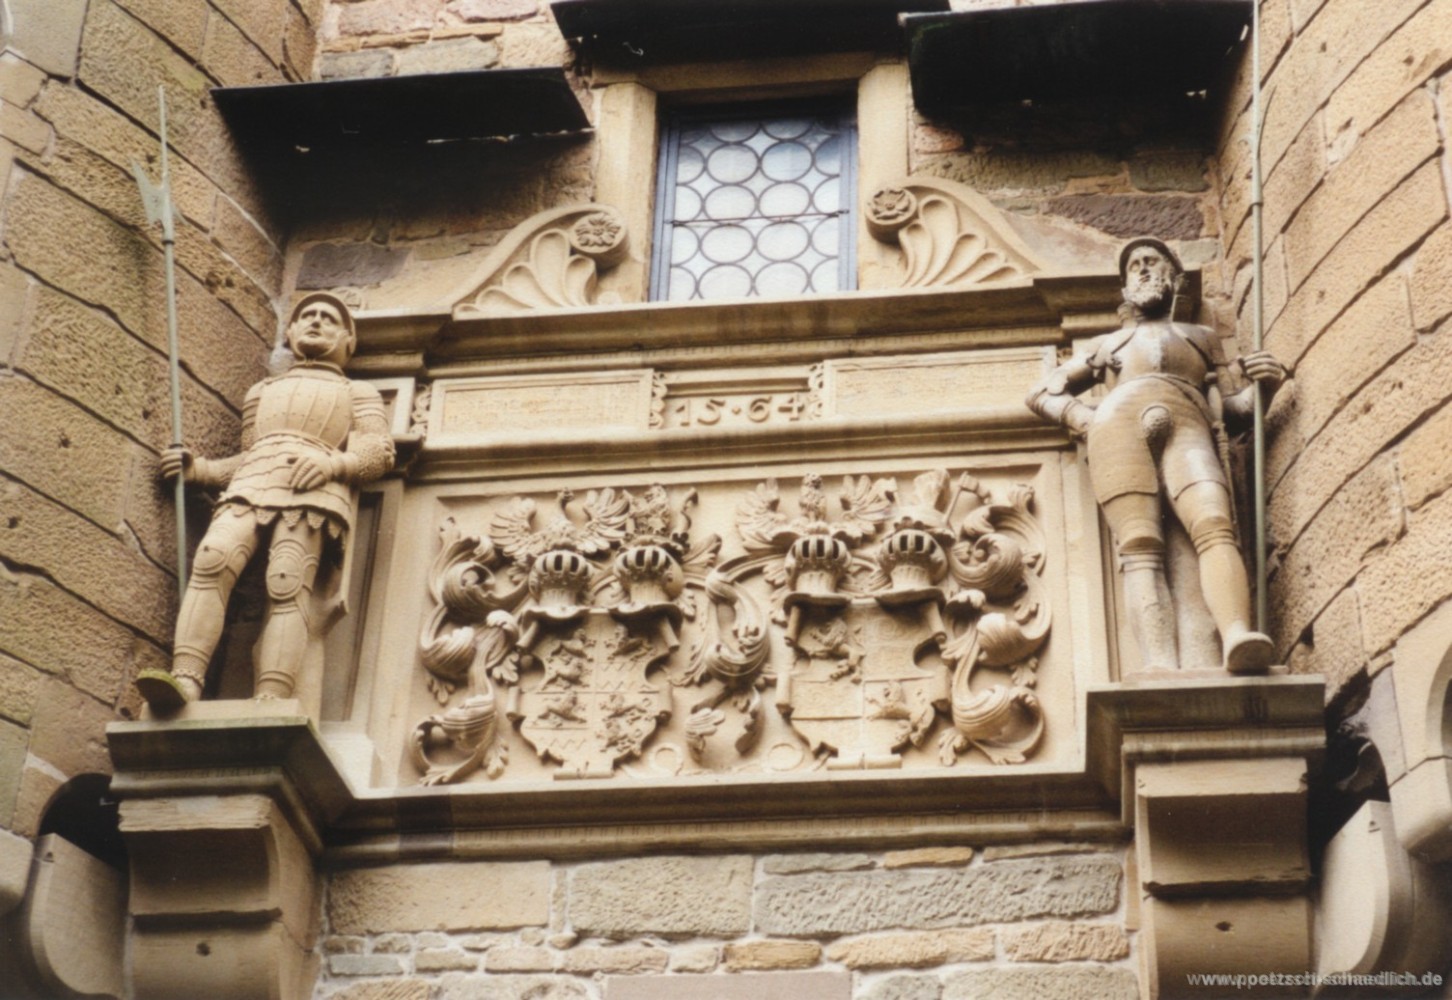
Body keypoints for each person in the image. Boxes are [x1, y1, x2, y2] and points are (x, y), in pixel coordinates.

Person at [1025, 238, 1285, 674]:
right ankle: (1159, 662)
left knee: (1214, 522)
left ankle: (1237, 635)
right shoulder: (1106, 344)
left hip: (1189, 421)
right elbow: (1040, 393)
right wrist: (1088, 420)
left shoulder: (1202, 338)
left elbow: (1232, 411)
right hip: (1118, 426)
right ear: (1125, 288)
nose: (1143, 270)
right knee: (1140, 545)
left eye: (1152, 262)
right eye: (1134, 267)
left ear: (1175, 278)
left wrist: (1265, 388)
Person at [136, 293, 395, 711]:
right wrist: (200, 470)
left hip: (313, 489)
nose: (316, 321)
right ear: (290, 332)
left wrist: (334, 464)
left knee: (287, 581)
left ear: (349, 340)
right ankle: (185, 679)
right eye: (307, 316)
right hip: (252, 482)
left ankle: (272, 696)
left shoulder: (357, 392)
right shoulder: (262, 390)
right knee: (212, 558)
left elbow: (377, 450)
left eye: (329, 319)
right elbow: (250, 454)